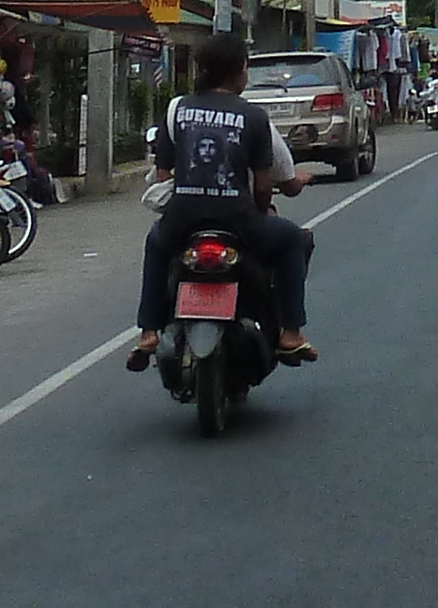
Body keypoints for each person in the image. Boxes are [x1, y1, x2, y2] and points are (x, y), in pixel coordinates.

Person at [130, 36, 315, 371]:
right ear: (238, 72)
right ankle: (290, 333)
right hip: (239, 222)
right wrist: (263, 212)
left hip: (182, 221)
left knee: (156, 245)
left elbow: (161, 176)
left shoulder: (177, 108)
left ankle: (148, 331)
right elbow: (262, 186)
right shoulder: (254, 117)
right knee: (292, 239)